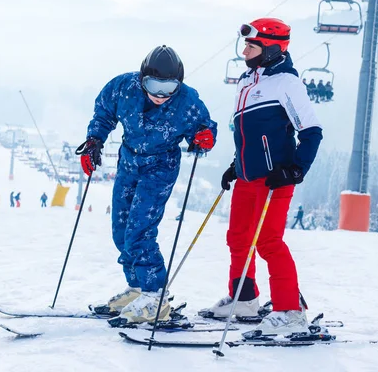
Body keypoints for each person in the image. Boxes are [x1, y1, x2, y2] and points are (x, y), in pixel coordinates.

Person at [78, 45, 217, 324]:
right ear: (142, 79)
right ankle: (138, 287)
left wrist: (203, 137)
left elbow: (204, 128)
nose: (160, 94)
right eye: (153, 85)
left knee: (140, 230)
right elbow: (104, 112)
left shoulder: (187, 101)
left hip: (160, 167)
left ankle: (155, 296)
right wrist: (95, 140)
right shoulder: (123, 87)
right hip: (129, 162)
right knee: (121, 228)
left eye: (169, 87)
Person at [203, 18, 322, 337]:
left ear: (270, 48)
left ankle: (289, 311)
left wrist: (296, 168)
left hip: (275, 178)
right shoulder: (246, 81)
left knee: (268, 241)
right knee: (238, 238)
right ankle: (244, 298)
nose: (244, 52)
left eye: (251, 46)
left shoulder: (287, 83)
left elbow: (311, 132)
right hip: (246, 176)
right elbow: (248, 133)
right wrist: (234, 164)